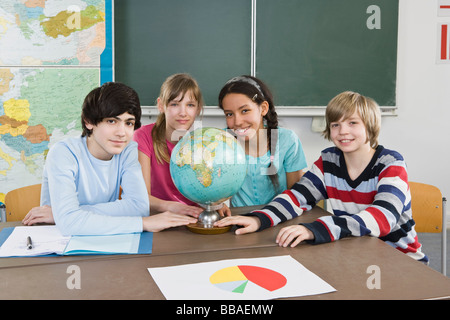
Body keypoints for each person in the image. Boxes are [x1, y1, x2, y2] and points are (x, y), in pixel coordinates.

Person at [215, 91, 428, 263]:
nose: (343, 131)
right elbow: (297, 197)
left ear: (370, 125)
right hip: (353, 252)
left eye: (353, 123)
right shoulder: (329, 161)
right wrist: (258, 218)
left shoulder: (391, 163)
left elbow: (382, 218)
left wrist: (315, 229)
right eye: (336, 124)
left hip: (399, 260)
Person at [22, 82, 197, 235]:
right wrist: (143, 224)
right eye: (112, 121)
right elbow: (69, 225)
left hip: (107, 238)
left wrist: (65, 214)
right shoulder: (63, 153)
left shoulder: (127, 150)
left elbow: (139, 207)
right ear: (89, 121)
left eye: (128, 123)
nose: (121, 133)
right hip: (58, 243)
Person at [217, 75, 307, 210]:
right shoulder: (221, 140)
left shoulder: (287, 140)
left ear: (263, 108)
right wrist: (216, 203)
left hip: (279, 219)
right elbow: (214, 189)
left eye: (245, 111)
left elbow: (297, 195)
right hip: (238, 222)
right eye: (229, 114)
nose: (237, 122)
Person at [133, 73, 205, 217]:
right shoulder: (143, 136)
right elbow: (141, 197)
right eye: (174, 104)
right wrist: (172, 207)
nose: (183, 113)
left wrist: (216, 203)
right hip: (156, 218)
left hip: (190, 219)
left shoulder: (202, 143)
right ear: (161, 105)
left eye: (190, 105)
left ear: (197, 109)